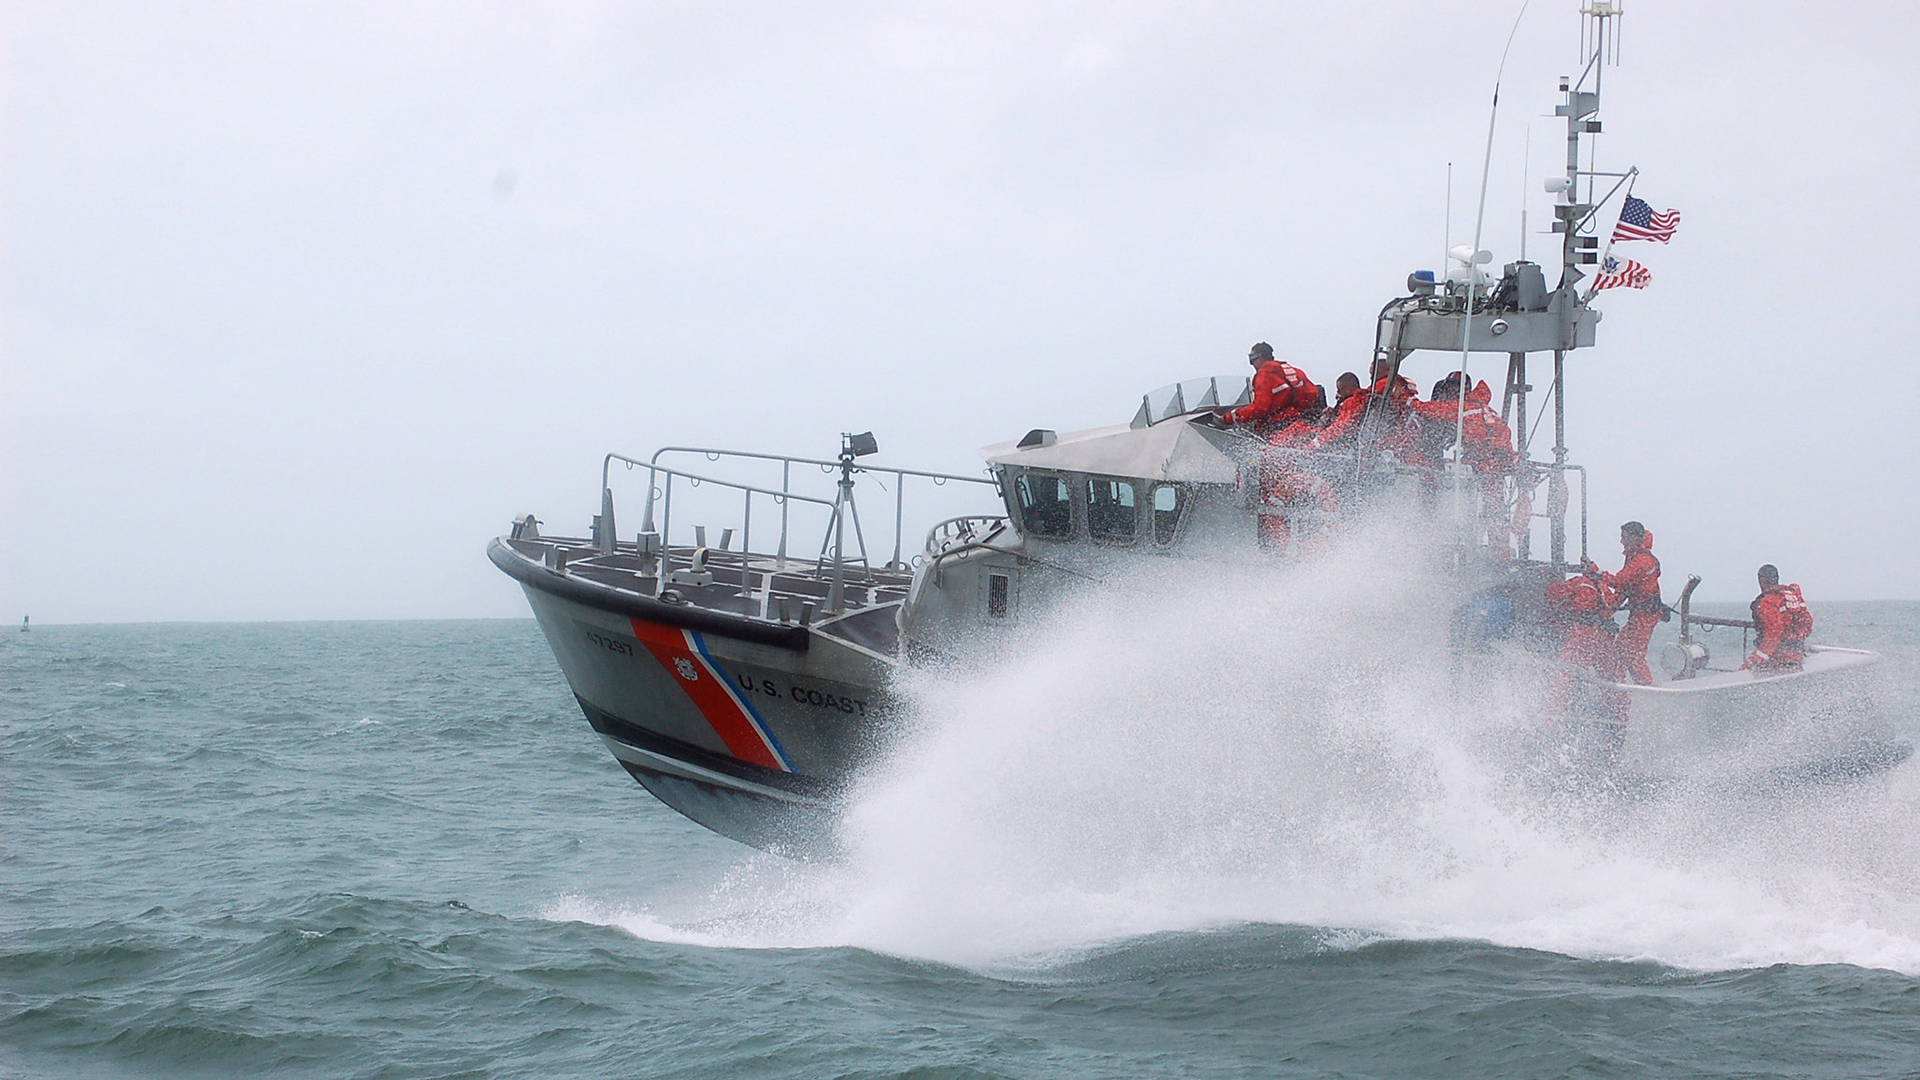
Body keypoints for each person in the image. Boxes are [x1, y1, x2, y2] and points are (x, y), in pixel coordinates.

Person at [1543, 570, 1628, 724]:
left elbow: (1553, 594)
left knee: (1566, 672)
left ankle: (1552, 716)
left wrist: (1552, 583)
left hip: (1583, 633)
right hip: (1605, 637)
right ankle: (1620, 715)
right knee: (1610, 676)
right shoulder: (1604, 588)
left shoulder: (1579, 582)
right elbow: (1614, 604)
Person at [1586, 521, 1662, 685]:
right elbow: (1625, 588)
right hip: (1640, 613)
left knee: (1634, 654)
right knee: (1621, 648)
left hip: (1645, 615)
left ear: (1635, 538)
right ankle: (1618, 687)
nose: (1621, 541)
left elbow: (1620, 581)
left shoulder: (1642, 561)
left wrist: (1597, 573)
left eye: (1624, 537)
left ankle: (1648, 690)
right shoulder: (1635, 557)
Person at [1218, 343, 1319, 436]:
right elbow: (1313, 392)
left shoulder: (1264, 375)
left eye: (1252, 358)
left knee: (1258, 446)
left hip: (1277, 426)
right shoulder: (1294, 371)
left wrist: (1231, 417)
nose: (1252, 364)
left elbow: (1260, 407)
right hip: (1298, 420)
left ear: (1260, 357)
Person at [1745, 564, 1813, 672]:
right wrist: (1795, 639)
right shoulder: (1792, 596)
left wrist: (1756, 659)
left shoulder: (1767, 602)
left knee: (1747, 672)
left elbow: (1774, 632)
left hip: (1776, 660)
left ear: (1761, 580)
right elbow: (1807, 623)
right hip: (1796, 657)